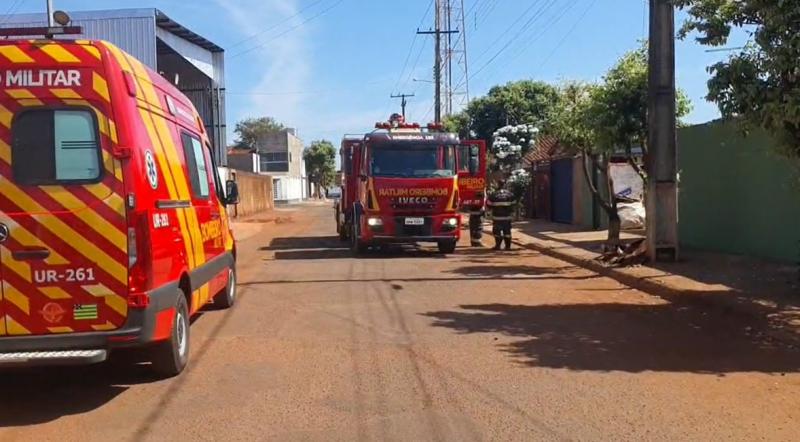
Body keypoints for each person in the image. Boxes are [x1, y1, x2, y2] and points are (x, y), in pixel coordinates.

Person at [487, 180, 516, 250]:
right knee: (507, 232)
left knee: (497, 232)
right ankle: (508, 247)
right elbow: (514, 204)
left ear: (498, 185)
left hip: (497, 218)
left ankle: (498, 246)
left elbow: (488, 204)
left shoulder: (493, 194)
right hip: (507, 218)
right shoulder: (510, 194)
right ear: (504, 185)